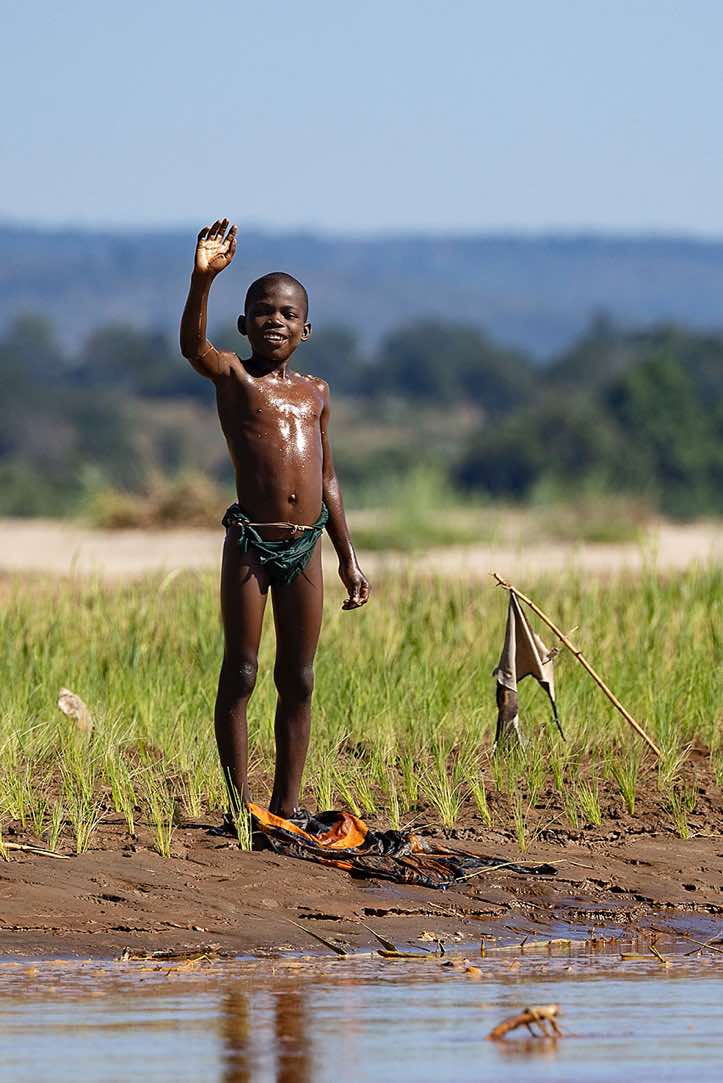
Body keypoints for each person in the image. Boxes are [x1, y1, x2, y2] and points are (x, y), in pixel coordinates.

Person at [180, 219, 370, 823]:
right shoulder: (234, 378)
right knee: (240, 671)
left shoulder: (316, 393)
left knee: (301, 676)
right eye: (262, 312)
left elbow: (328, 478)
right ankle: (241, 809)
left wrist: (347, 556)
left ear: (306, 329)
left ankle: (285, 809)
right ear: (244, 324)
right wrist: (202, 281)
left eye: (288, 314)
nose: (275, 321)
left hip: (306, 549)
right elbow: (193, 348)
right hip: (250, 547)